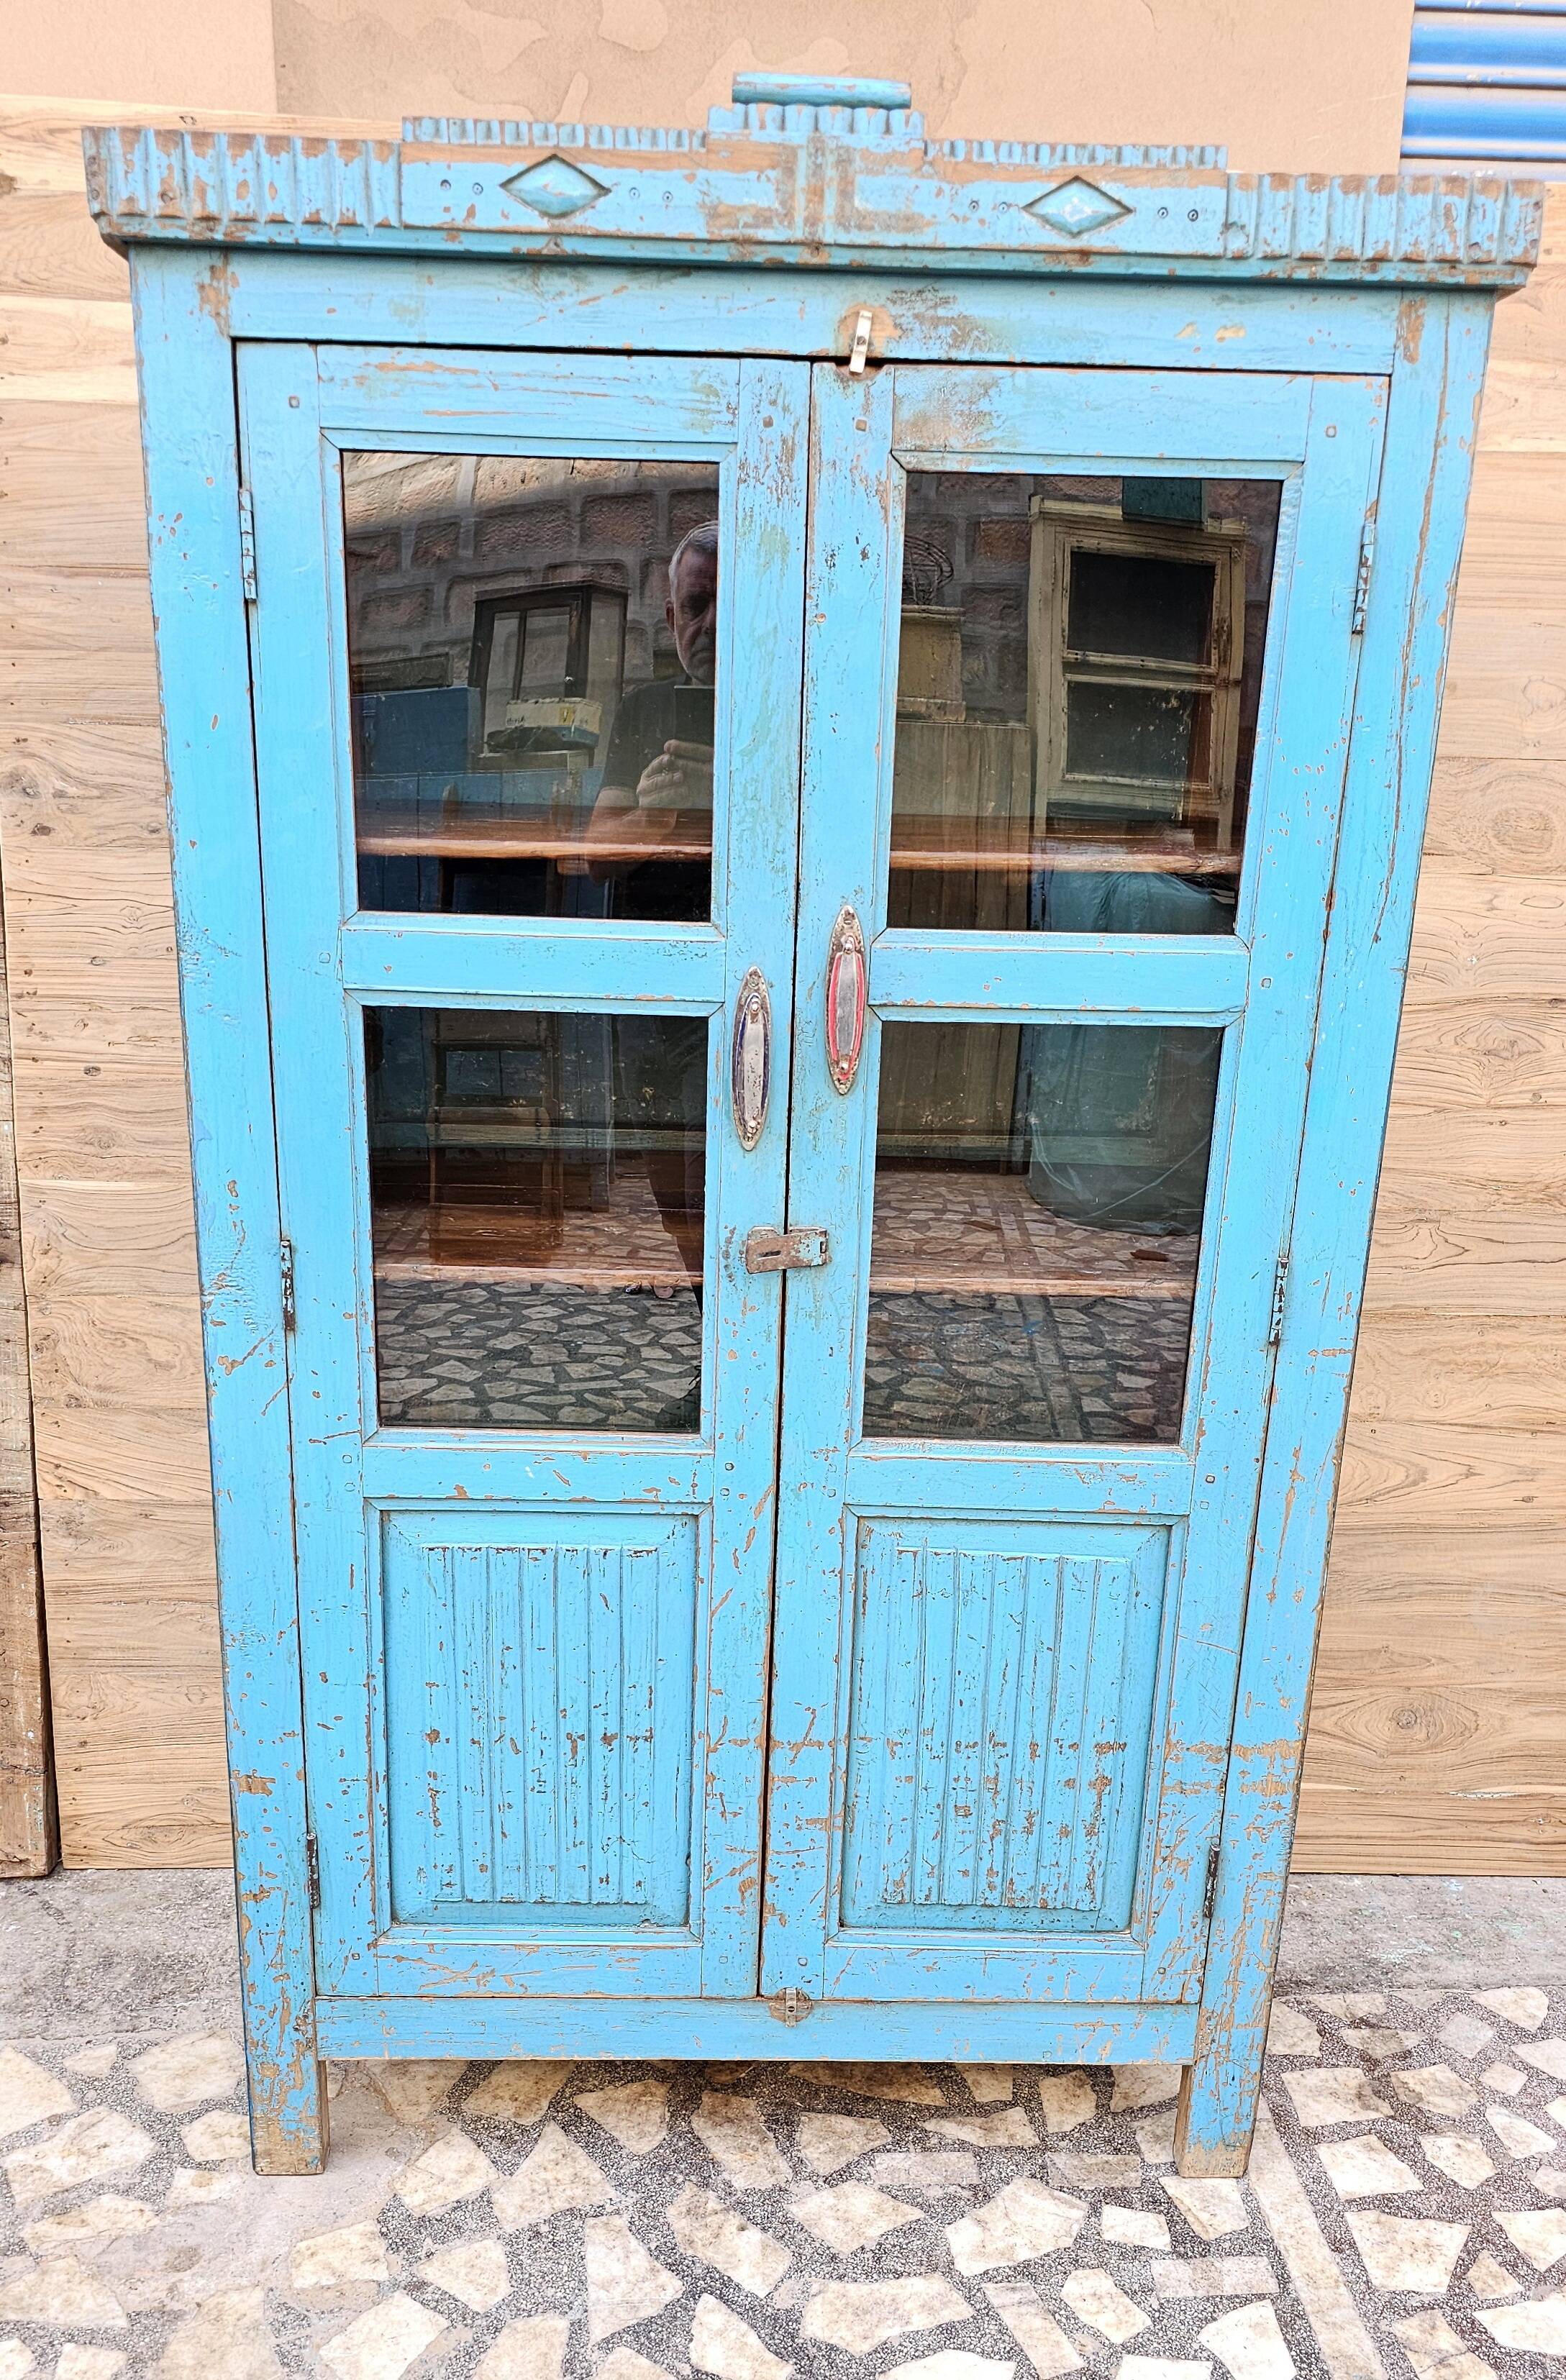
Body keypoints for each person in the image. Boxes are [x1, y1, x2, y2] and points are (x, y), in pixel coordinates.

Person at [585, 519, 718, 922]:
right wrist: (650, 819)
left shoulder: (787, 711)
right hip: (652, 936)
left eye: (733, 605)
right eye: (696, 606)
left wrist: (728, 798)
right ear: (672, 617)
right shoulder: (641, 709)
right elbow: (597, 859)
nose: (712, 624)